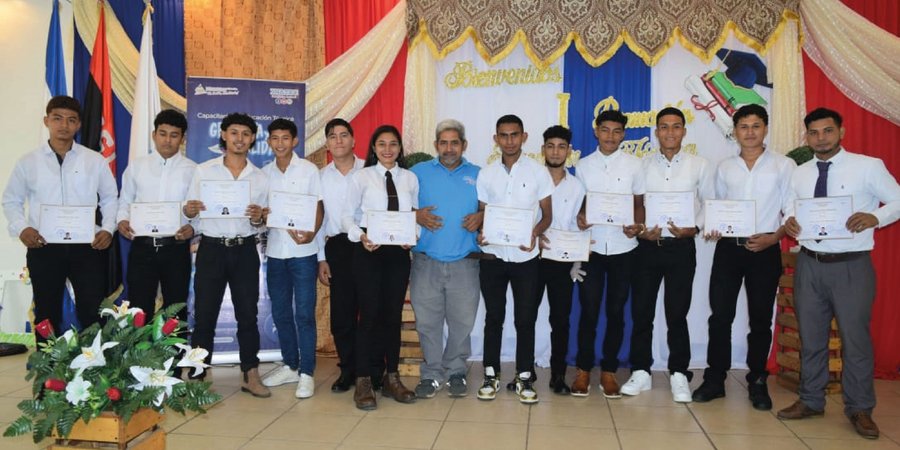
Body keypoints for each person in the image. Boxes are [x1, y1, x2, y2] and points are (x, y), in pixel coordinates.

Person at [777, 108, 900, 439]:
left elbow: (898, 200)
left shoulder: (867, 166)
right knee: (812, 338)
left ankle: (860, 408)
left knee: (855, 340)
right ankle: (811, 400)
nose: (821, 138)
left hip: (851, 265)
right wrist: (788, 220)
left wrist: (876, 217)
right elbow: (790, 206)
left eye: (827, 131)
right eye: (814, 133)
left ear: (841, 132)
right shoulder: (799, 172)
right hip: (809, 263)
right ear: (807, 137)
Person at [692, 104, 795, 410]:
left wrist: (774, 238)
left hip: (765, 248)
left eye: (756, 126)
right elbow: (715, 205)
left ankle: (758, 381)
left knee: (761, 319)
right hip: (729, 249)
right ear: (734, 131)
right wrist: (711, 227)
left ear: (765, 129)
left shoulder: (784, 165)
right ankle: (715, 378)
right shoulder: (724, 167)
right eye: (743, 127)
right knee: (720, 316)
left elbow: (791, 208)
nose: (749, 132)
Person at [2, 96, 118, 335]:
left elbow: (109, 198)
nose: (64, 125)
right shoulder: (28, 162)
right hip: (44, 246)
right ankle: (48, 367)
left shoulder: (94, 160)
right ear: (47, 121)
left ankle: (94, 368)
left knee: (92, 309)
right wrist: (22, 228)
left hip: (87, 246)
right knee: (46, 310)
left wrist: (107, 228)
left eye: (71, 120)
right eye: (57, 118)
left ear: (79, 125)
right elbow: (10, 200)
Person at [623, 107, 714, 403]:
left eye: (676, 127)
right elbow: (635, 204)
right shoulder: (642, 165)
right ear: (656, 131)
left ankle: (678, 373)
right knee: (641, 313)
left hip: (681, 248)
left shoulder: (699, 165)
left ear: (684, 131)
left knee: (677, 313)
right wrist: (639, 229)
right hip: (648, 247)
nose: (670, 132)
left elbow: (710, 203)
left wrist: (695, 228)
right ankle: (641, 371)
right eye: (664, 127)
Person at [182, 113, 269, 397]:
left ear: (253, 139)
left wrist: (258, 217)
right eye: (234, 133)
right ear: (223, 134)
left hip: (244, 249)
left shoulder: (260, 177)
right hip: (211, 249)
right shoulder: (203, 171)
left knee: (248, 315)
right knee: (204, 315)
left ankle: (250, 374)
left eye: (246, 133)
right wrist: (190, 210)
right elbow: (189, 212)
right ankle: (197, 375)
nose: (239, 139)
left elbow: (262, 222)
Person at [476, 114, 553, 404]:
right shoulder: (486, 174)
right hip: (493, 256)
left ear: (524, 136)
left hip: (526, 258)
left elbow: (547, 215)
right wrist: (482, 233)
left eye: (514, 135)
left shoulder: (537, 172)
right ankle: (490, 374)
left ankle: (524, 376)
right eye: (503, 135)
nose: (509, 141)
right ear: (496, 139)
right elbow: (482, 213)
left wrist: (535, 232)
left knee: (525, 319)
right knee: (493, 318)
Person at [342, 125, 418, 410]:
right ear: (373, 148)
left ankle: (392, 377)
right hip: (368, 250)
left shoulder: (409, 178)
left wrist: (413, 238)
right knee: (369, 316)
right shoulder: (361, 177)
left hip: (397, 254)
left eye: (393, 144)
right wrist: (360, 236)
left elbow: (413, 214)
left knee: (392, 315)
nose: (388, 149)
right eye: (382, 144)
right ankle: (363, 380)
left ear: (400, 148)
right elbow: (345, 216)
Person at [572, 111, 645, 398]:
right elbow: (582, 204)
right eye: (605, 130)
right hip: (591, 246)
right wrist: (581, 217)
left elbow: (639, 203)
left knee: (616, 313)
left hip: (623, 248)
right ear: (596, 131)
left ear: (624, 134)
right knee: (588, 312)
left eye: (617, 131)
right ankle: (582, 371)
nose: (611, 136)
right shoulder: (583, 165)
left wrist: (636, 226)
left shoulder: (634, 165)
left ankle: (609, 371)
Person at [410, 119, 482, 399]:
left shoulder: (479, 174)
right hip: (425, 261)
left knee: (462, 322)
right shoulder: (416, 173)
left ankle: (456, 372)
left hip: (465, 261)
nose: (449, 148)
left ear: (464, 145)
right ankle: (431, 373)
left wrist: (482, 216)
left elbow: (495, 210)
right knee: (427, 322)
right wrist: (415, 216)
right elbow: (399, 207)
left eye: (454, 143)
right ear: (436, 145)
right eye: (443, 142)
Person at [116, 109, 196, 352]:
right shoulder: (137, 167)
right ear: (154, 135)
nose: (167, 140)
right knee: (139, 307)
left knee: (176, 307)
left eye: (174, 135)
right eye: (163, 134)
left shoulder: (193, 170)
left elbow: (198, 209)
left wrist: (192, 227)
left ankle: (173, 367)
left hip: (176, 247)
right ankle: (138, 362)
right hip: (142, 248)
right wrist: (122, 221)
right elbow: (124, 202)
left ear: (182, 139)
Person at [259, 119, 324, 399]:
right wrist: (261, 215)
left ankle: (307, 373)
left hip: (303, 254)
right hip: (275, 253)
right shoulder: (263, 174)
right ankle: (291, 365)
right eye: (275, 138)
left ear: (295, 141)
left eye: (286, 138)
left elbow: (319, 207)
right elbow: (262, 214)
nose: (281, 143)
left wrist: (311, 233)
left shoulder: (309, 170)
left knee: (304, 315)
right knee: (282, 313)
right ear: (269, 142)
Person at [315, 118, 367, 393]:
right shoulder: (321, 177)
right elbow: (320, 220)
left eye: (344, 135)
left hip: (369, 247)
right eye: (332, 136)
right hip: (337, 248)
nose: (338, 141)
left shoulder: (369, 170)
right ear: (327, 143)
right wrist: (322, 258)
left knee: (369, 311)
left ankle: (368, 372)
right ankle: (348, 370)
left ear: (353, 140)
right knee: (342, 316)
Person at [538, 125, 586, 396]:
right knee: (526, 316)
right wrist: (534, 234)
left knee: (561, 319)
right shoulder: (531, 179)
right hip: (532, 257)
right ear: (543, 149)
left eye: (561, 146)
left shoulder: (577, 186)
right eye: (550, 145)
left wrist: (577, 259)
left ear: (568, 151)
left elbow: (579, 225)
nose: (555, 151)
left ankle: (558, 375)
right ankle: (526, 372)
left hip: (562, 260)